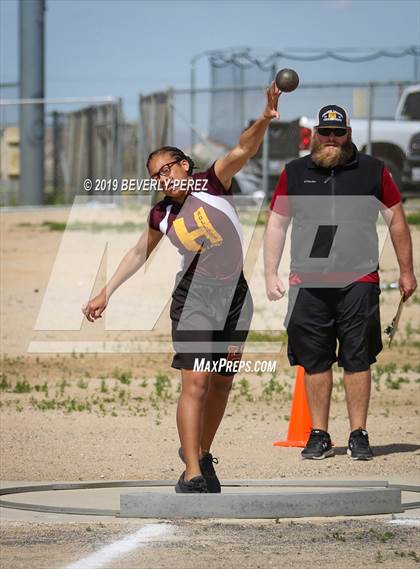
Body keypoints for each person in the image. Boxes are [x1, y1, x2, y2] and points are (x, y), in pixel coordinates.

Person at [82, 82, 281, 491]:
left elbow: (242, 150)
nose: (163, 177)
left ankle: (200, 454)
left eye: (168, 168)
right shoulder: (161, 213)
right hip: (194, 299)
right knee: (198, 382)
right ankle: (192, 473)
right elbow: (139, 253)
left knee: (222, 383)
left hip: (235, 299)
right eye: (155, 175)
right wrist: (107, 291)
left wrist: (263, 118)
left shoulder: (214, 181)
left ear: (186, 165)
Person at [264, 104, 417, 461]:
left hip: (358, 279)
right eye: (326, 132)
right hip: (309, 281)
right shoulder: (295, 172)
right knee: (315, 360)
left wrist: (407, 271)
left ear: (349, 134)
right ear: (316, 134)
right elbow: (276, 224)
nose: (332, 138)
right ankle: (318, 434)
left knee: (357, 357)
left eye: (339, 132)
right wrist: (270, 272)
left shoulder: (373, 170)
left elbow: (396, 220)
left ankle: (358, 433)